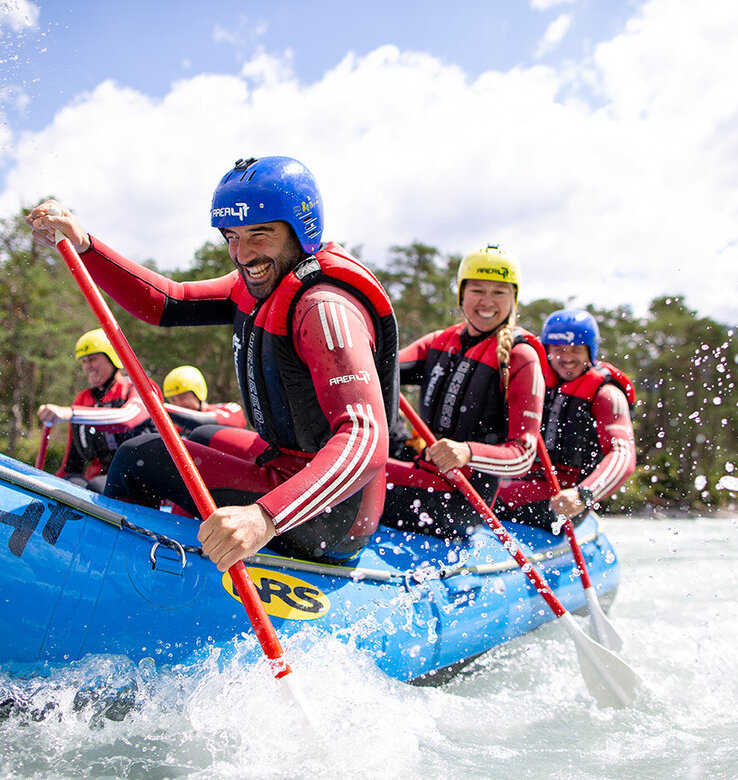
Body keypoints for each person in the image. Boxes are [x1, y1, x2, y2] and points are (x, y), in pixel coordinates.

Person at [27, 156, 399, 567]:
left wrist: (264, 518)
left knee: (141, 455)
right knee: (193, 433)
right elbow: (168, 302)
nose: (242, 254)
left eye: (260, 234)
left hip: (332, 513)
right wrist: (85, 245)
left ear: (302, 230)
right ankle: (185, 551)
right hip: (286, 461)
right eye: (231, 237)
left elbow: (366, 442)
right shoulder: (259, 282)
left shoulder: (324, 308)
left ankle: (106, 572)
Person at [382, 245, 546, 538]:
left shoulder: (521, 358)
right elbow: (377, 369)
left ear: (513, 299)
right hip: (422, 469)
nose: (487, 301)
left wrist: (467, 452)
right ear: (461, 294)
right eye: (477, 290)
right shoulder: (439, 342)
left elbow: (523, 455)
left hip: (461, 498)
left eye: (499, 292)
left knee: (360, 477)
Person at [495, 309, 636, 527]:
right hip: (509, 486)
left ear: (590, 352)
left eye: (576, 350)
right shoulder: (530, 378)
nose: (567, 358)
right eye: (559, 349)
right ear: (547, 350)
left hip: (562, 500)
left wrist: (584, 494)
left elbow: (622, 454)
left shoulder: (607, 394)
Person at [36, 328, 158, 493]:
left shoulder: (140, 388)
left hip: (139, 480)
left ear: (113, 359)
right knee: (69, 483)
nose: (88, 367)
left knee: (98, 486)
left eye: (92, 359)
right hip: (98, 480)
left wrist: (71, 413)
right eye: (84, 361)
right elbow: (72, 462)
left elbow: (126, 419)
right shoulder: (83, 399)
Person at [163, 365, 247, 434]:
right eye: (173, 400)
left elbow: (204, 422)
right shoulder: (177, 428)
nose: (178, 404)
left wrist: (162, 408)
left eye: (182, 397)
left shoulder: (231, 409)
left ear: (198, 393)